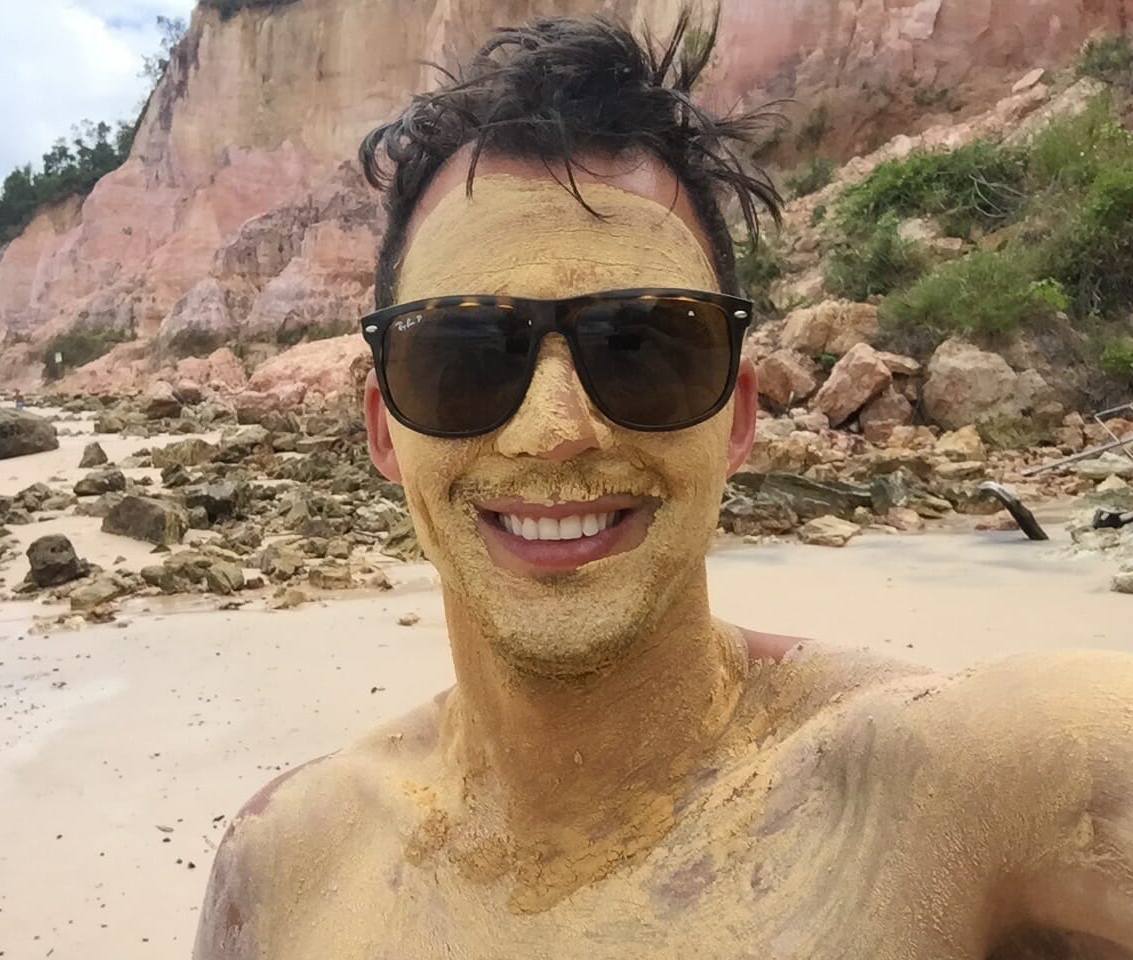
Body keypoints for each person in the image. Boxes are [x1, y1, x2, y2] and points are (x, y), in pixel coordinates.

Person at [194, 12, 1133, 958]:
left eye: (644, 346)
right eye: (463, 355)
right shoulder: (285, 871)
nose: (556, 432)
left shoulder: (981, 788)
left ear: (735, 414)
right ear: (382, 428)